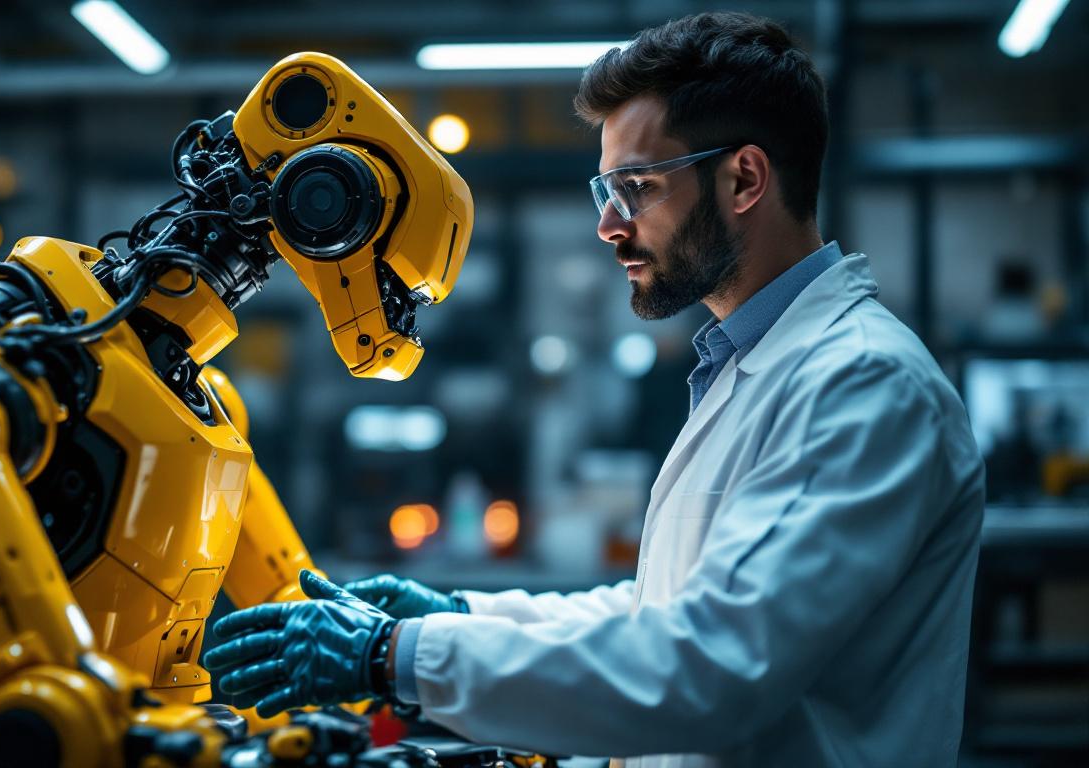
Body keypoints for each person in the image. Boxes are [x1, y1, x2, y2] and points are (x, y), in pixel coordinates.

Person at [204, 12, 985, 767]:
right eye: (605, 191)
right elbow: (661, 611)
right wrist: (460, 615)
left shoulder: (859, 381)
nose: (609, 224)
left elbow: (711, 663)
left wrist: (396, 656)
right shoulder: (752, 365)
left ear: (744, 179)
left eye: (636, 186)